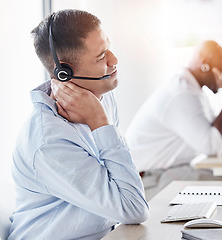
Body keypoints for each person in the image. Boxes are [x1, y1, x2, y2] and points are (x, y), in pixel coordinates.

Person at [8, 9, 148, 240]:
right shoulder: (49, 142)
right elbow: (133, 208)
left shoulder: (101, 99)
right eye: (101, 56)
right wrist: (99, 123)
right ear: (64, 72)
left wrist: (99, 120)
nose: (114, 60)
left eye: (108, 47)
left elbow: (123, 190)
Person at [125, 40, 222, 200]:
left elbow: (219, 136)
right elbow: (213, 145)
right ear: (205, 66)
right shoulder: (182, 93)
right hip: (151, 181)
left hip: (168, 173)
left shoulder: (193, 91)